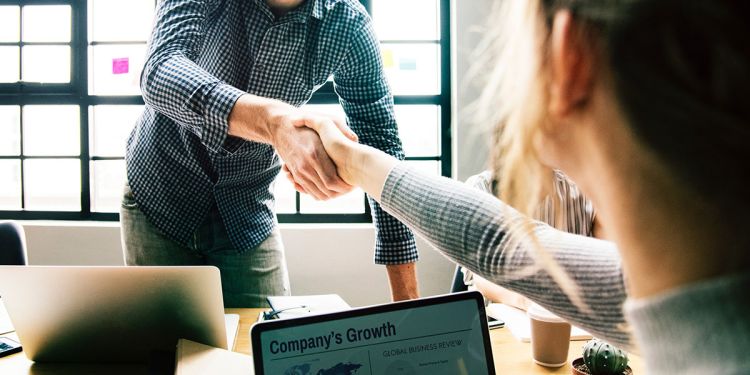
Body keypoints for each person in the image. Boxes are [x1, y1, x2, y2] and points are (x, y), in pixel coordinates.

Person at [294, 0, 750, 373]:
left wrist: (352, 159)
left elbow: (499, 246)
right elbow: (497, 243)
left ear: (568, 55)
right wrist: (355, 160)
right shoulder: (670, 285)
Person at [121, 0, 420, 308]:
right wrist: (275, 122)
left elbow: (381, 143)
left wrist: (408, 304)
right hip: (158, 193)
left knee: (270, 348)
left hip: (246, 210)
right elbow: (159, 70)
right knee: (163, 350)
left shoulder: (348, 23)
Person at [463, 170, 604, 311]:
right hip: (496, 318)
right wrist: (528, 302)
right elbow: (480, 278)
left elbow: (609, 268)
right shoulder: (481, 187)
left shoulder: (585, 191)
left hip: (572, 316)